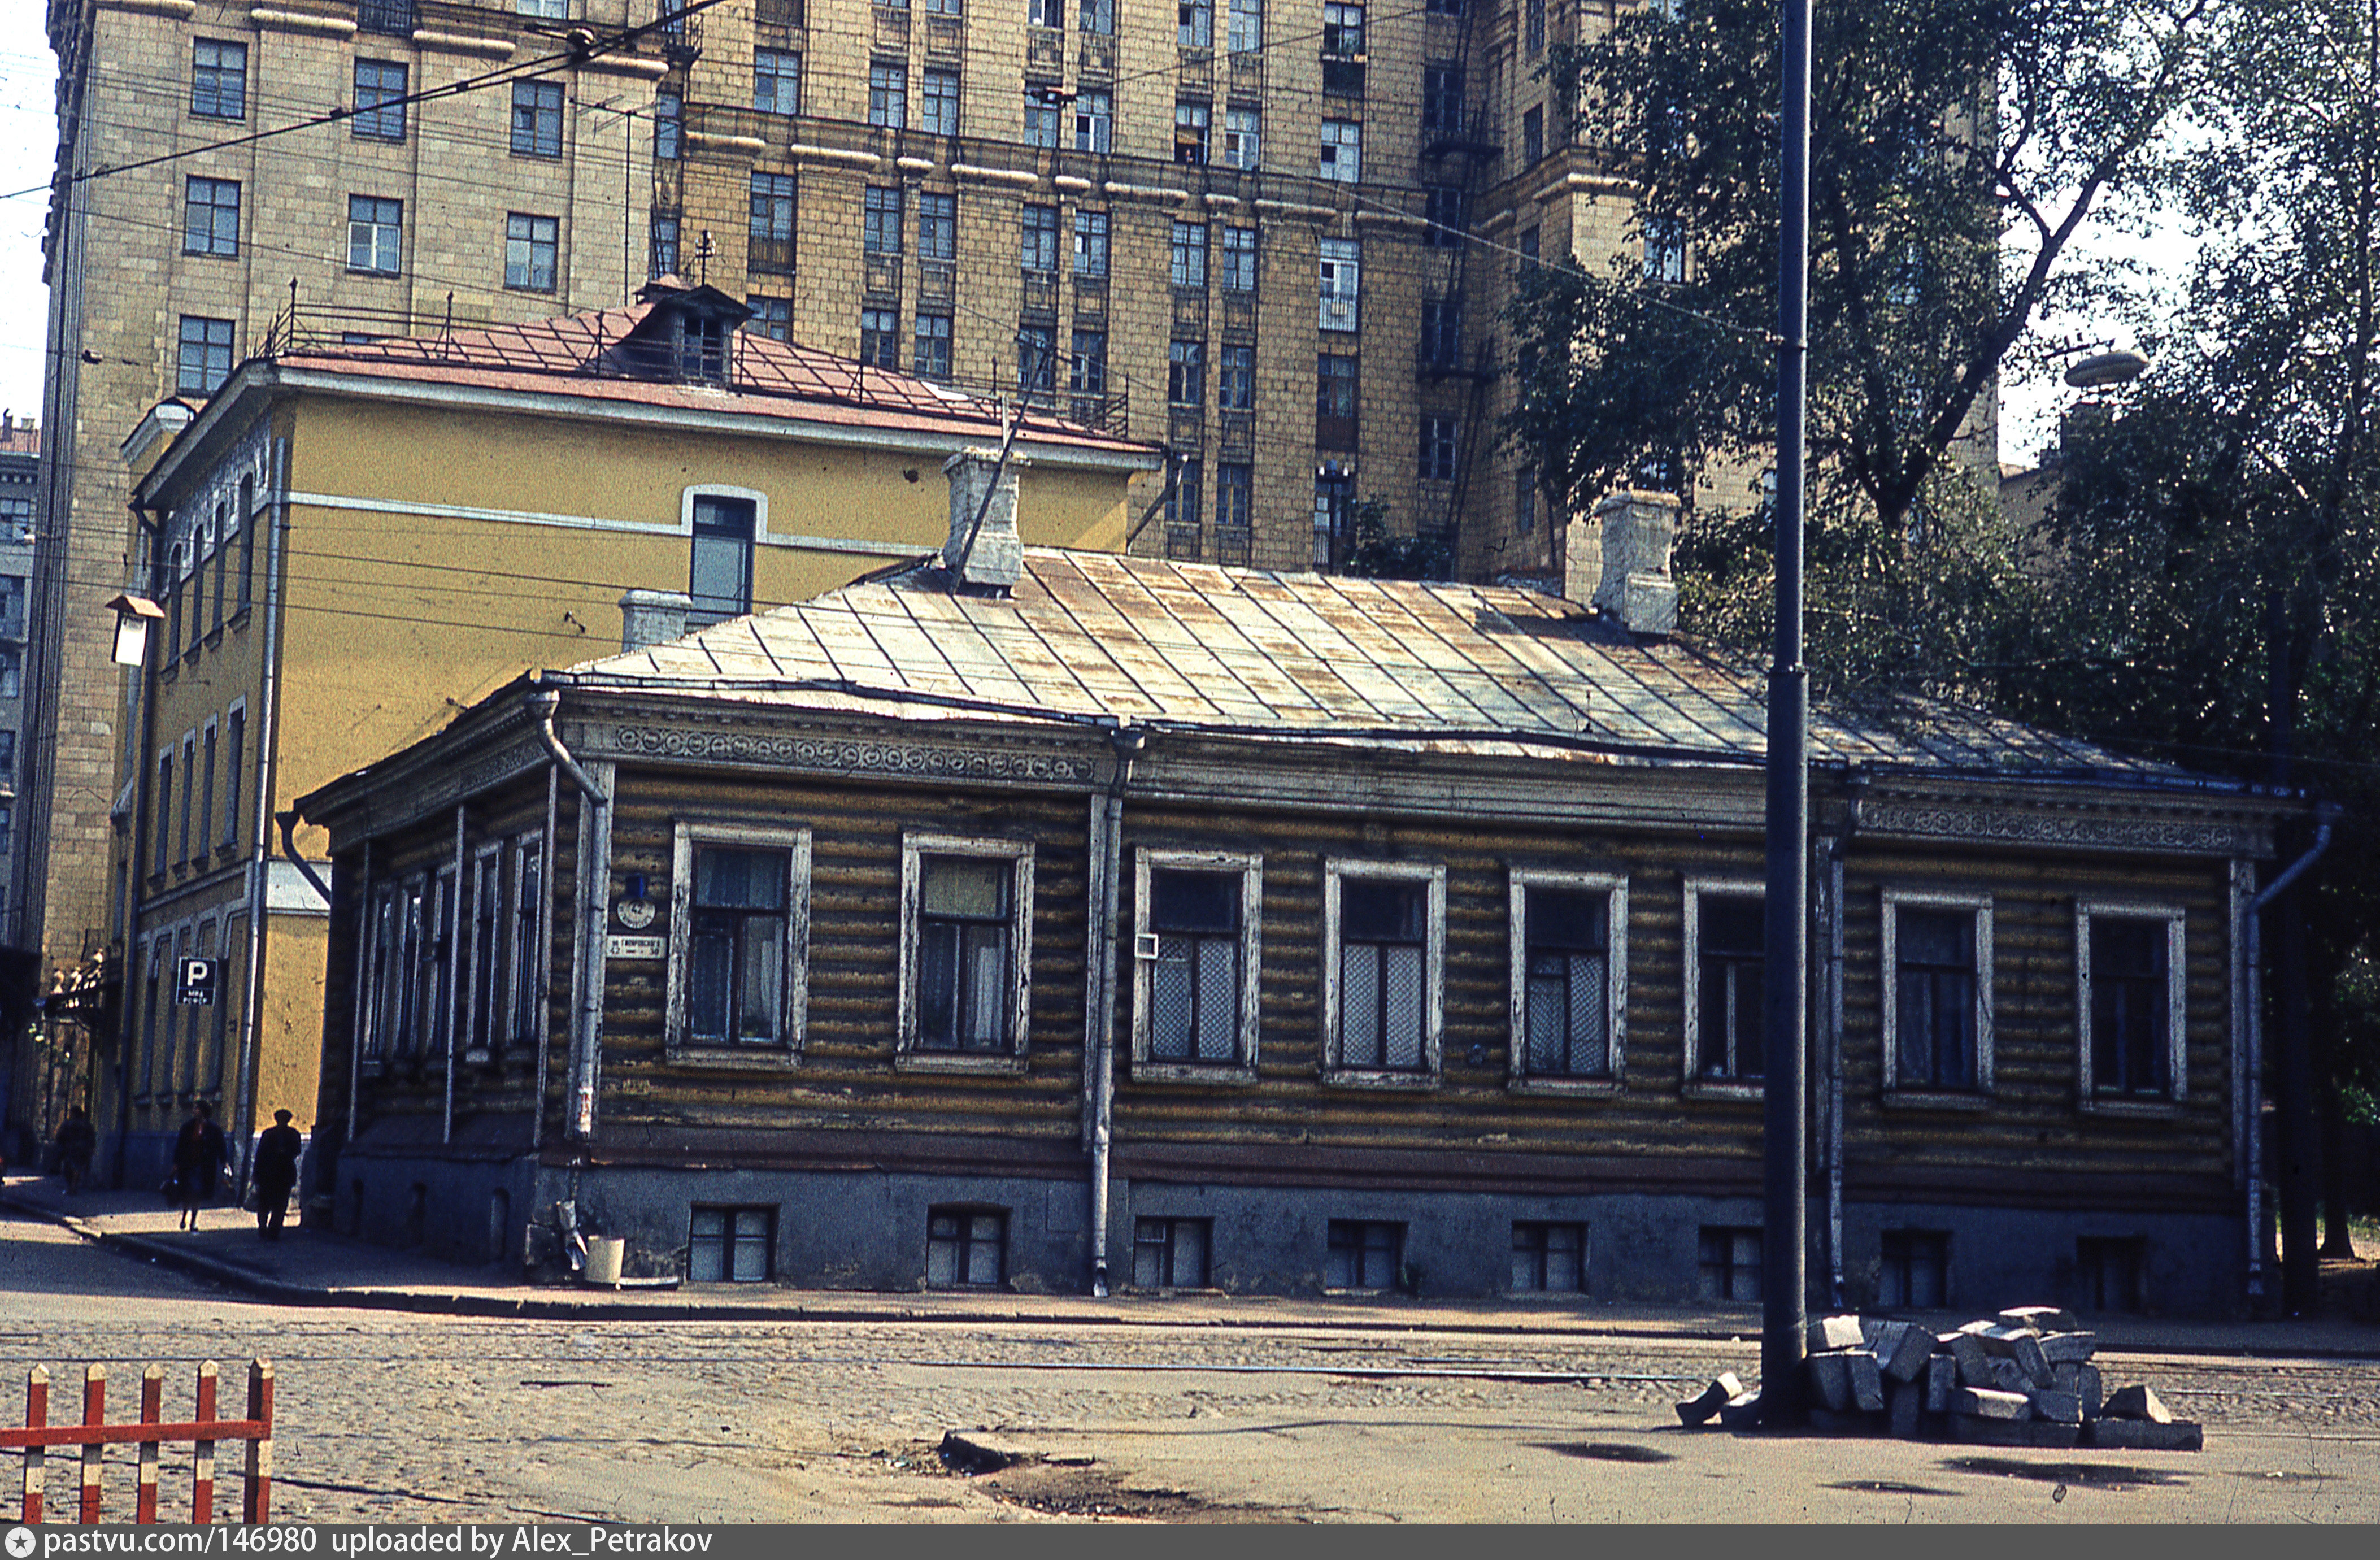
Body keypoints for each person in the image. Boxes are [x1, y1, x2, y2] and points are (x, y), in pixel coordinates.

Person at [170, 1101, 229, 1231]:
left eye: (197, 1108)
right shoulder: (188, 1127)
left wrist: (225, 1162)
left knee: (197, 1193)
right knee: (186, 1192)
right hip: (188, 1165)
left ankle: (194, 1220)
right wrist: (176, 1164)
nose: (194, 1111)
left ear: (203, 1111)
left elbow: (221, 1146)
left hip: (203, 1167)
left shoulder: (213, 1129)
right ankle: (185, 1215)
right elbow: (180, 1146)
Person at [251, 1109, 303, 1241]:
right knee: (274, 1204)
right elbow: (296, 1151)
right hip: (276, 1174)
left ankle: (270, 1229)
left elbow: (260, 1155)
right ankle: (269, 1229)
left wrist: (256, 1174)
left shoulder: (273, 1134)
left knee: (272, 1204)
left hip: (275, 1174)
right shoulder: (289, 1134)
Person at [54, 1107, 97, 1195]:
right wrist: (91, 1148)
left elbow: (60, 1136)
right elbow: (92, 1137)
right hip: (83, 1150)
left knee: (69, 1169)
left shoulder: (68, 1124)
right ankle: (74, 1186)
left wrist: (61, 1146)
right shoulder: (86, 1124)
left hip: (70, 1149)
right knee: (78, 1168)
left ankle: (71, 1187)